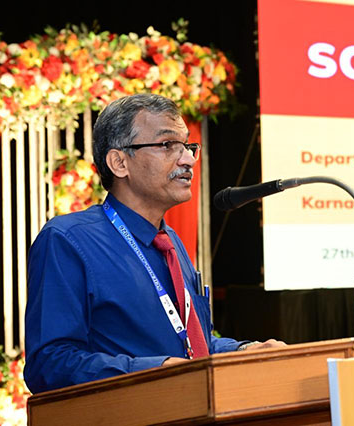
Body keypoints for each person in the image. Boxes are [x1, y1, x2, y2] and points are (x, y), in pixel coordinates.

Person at [24, 93, 285, 394]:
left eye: (188, 146)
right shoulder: (68, 240)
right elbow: (50, 363)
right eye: (167, 145)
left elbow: (191, 346)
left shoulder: (170, 243)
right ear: (119, 162)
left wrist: (243, 351)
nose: (188, 159)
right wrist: (154, 372)